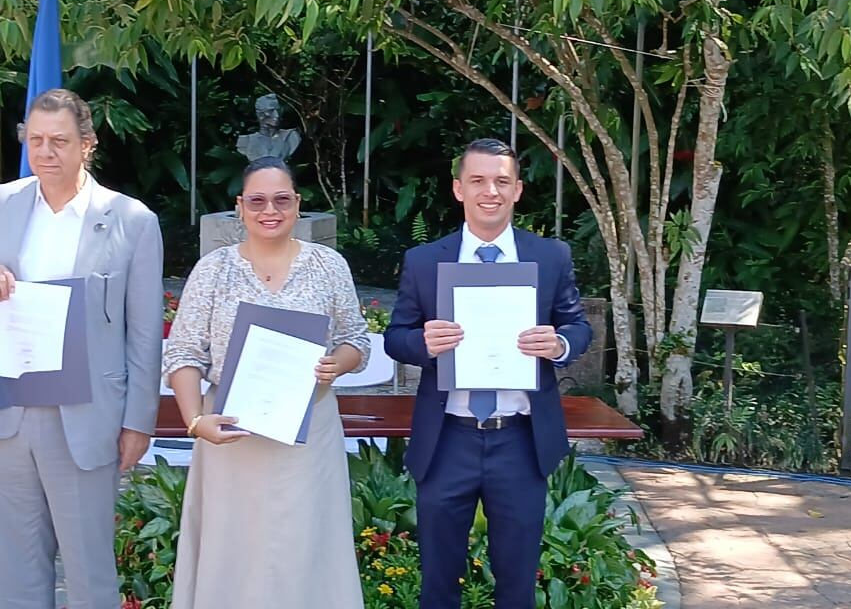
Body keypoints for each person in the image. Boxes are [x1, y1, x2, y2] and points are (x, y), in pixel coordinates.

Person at [0, 88, 163, 609]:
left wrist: (139, 421)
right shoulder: (1, 202)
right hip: (11, 406)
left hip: (88, 412)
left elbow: (145, 333)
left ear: (88, 144)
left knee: (89, 568)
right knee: (16, 562)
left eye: (59, 141)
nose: (45, 152)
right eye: (35, 140)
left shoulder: (132, 220)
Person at [384, 138, 592, 609]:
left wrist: (559, 344)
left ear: (517, 190)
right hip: (447, 440)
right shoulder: (424, 260)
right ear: (459, 189)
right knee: (438, 582)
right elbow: (396, 336)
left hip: (519, 440)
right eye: (478, 181)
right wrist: (423, 343)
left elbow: (578, 326)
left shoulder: (550, 256)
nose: (490, 192)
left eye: (501, 181)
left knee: (517, 584)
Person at [163, 156, 368, 609]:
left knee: (306, 549)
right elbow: (183, 354)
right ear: (240, 206)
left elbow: (356, 340)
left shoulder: (328, 265)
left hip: (308, 436)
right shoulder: (213, 270)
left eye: (281, 199)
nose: (269, 209)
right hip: (231, 437)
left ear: (297, 204)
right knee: (233, 550)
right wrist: (196, 421)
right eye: (257, 200)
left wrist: (339, 362)